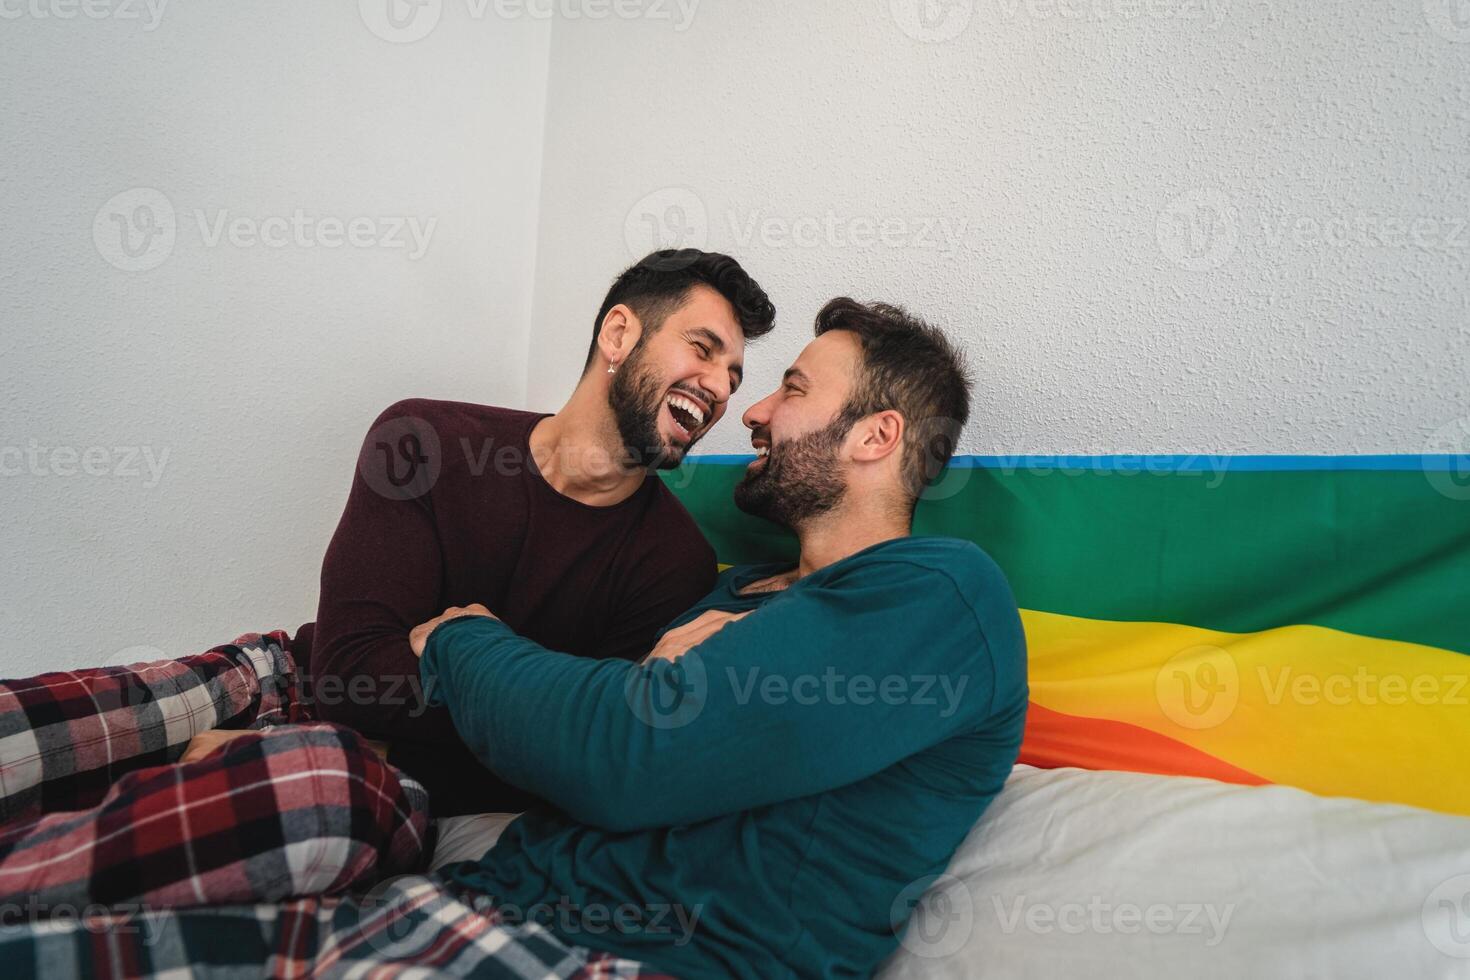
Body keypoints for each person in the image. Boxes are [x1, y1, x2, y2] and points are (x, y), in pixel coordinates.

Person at [0, 297, 1025, 980]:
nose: (748, 408)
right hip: (482, 895)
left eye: (790, 386)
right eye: (724, 362)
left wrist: (460, 638)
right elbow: (604, 722)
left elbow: (629, 752)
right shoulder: (731, 591)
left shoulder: (939, 596)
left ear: (878, 437)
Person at [0, 249, 775, 919]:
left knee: (312, 794)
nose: (719, 387)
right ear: (618, 334)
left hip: (404, 782)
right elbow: (345, 675)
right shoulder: (427, 440)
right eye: (703, 350)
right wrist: (513, 682)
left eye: (733, 374)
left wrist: (454, 646)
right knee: (26, 733)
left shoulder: (673, 560)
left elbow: (566, 746)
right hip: (278, 685)